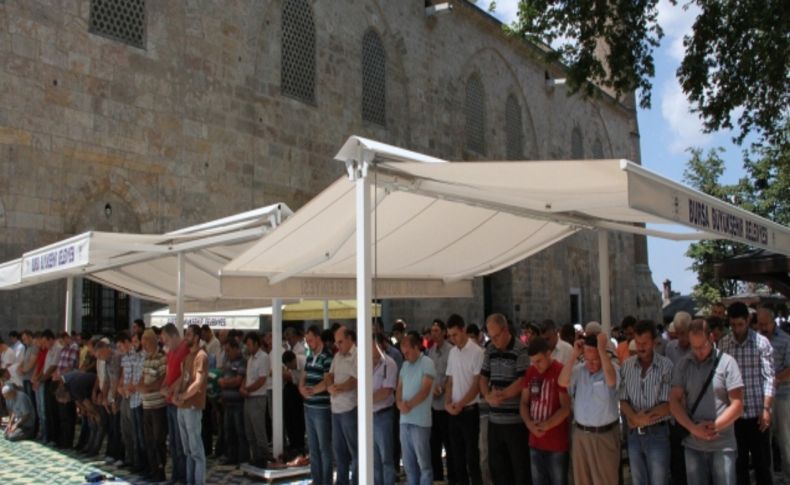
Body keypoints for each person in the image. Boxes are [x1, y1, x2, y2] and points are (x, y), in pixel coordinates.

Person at [669, 318, 743, 485]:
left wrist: (714, 427)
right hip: (693, 445)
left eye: (702, 346)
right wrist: (692, 428)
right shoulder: (684, 364)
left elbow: (737, 405)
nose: (699, 352)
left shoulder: (727, 363)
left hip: (722, 445)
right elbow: (674, 401)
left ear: (711, 338)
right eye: (694, 347)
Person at [718, 302, 775, 485]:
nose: (736, 329)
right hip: (734, 417)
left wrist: (766, 408)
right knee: (738, 464)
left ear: (748, 321)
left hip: (757, 414)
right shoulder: (724, 344)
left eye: (740, 324)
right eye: (733, 325)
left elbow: (769, 378)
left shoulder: (761, 343)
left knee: (762, 464)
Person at [559, 330, 620, 485]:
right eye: (587, 359)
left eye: (595, 359)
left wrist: (601, 349)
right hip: (581, 434)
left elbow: (612, 381)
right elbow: (562, 382)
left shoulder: (611, 368)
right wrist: (574, 355)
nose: (591, 364)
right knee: (582, 480)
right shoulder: (580, 370)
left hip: (604, 436)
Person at [619, 320, 673, 485]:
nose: (641, 347)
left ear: (654, 342)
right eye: (638, 343)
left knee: (659, 480)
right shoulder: (627, 366)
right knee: (638, 480)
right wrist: (634, 418)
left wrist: (642, 418)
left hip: (657, 433)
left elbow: (668, 405)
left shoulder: (666, 366)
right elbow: (623, 399)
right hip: (634, 434)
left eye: (645, 343)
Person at [479, 313, 531, 485]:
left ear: (506, 330)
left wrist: (502, 395)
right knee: (498, 470)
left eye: (497, 336)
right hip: (495, 422)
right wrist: (487, 395)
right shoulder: (490, 350)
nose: (494, 340)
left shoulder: (521, 350)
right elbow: (483, 377)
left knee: (519, 470)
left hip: (515, 422)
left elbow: (523, 380)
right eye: (491, 336)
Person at [520, 337, 570, 485]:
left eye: (539, 361)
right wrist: (529, 424)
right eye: (533, 361)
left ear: (549, 354)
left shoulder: (560, 371)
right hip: (535, 442)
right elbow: (523, 402)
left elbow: (566, 407)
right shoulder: (531, 372)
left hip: (556, 443)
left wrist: (548, 424)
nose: (536, 365)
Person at [444, 314, 484, 485]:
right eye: (450, 336)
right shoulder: (452, 352)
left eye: (455, 335)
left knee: (472, 457)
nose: (453, 339)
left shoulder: (477, 352)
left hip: (469, 411)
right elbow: (450, 381)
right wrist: (447, 403)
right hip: (454, 411)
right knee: (456, 456)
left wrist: (460, 404)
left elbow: (476, 385)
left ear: (463, 330)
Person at [398, 331, 436, 485]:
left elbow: (425, 390)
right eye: (403, 353)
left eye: (407, 352)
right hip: (405, 421)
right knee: (409, 466)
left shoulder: (427, 362)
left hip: (420, 422)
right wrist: (399, 403)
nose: (405, 356)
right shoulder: (404, 365)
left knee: (424, 466)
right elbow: (399, 388)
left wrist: (408, 405)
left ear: (416, 347)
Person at [758, 306, 790, 485]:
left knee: (785, 439)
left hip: (782, 395)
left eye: (765, 324)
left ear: (773, 322)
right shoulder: (756, 340)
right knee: (764, 442)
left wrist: (773, 380)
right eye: (759, 324)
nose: (762, 327)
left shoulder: (785, 340)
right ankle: (768, 478)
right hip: (761, 397)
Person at [174, 324, 209, 485]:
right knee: (187, 450)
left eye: (188, 334)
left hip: (192, 407)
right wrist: (175, 394)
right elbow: (183, 378)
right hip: (183, 407)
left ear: (196, 337)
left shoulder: (201, 356)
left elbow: (198, 382)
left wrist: (182, 396)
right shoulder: (188, 356)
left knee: (196, 451)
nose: (186, 337)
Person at [299, 324, 334, 485]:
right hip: (308, 407)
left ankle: (325, 481)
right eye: (307, 341)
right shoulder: (309, 356)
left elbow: (328, 381)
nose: (309, 343)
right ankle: (316, 478)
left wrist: (312, 390)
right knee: (313, 447)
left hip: (321, 408)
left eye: (311, 340)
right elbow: (303, 375)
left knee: (324, 448)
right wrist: (301, 387)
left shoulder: (327, 357)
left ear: (318, 338)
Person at [328, 327, 359, 485]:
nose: (337, 345)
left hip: (350, 409)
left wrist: (336, 387)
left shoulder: (358, 355)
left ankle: (356, 482)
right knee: (339, 452)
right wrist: (329, 386)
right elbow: (329, 376)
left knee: (355, 451)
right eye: (336, 342)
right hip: (336, 410)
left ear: (349, 339)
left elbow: (354, 381)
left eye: (340, 342)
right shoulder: (337, 356)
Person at [159, 323, 189, 482]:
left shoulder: (185, 349)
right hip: (169, 401)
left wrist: (171, 389)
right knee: (174, 442)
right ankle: (177, 474)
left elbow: (185, 374)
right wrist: (164, 385)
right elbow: (169, 371)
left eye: (166, 339)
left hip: (178, 401)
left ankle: (183, 476)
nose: (165, 343)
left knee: (180, 442)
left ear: (175, 336)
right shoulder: (171, 351)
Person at [665, 311, 692, 485]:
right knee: (678, 462)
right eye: (678, 333)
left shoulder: (698, 348)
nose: (681, 337)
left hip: (694, 411)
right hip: (676, 414)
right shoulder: (670, 348)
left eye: (684, 333)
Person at [138, 329, 168, 482]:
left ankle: (160, 470)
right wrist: (139, 386)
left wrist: (147, 388)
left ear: (153, 341)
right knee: (148, 440)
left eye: (145, 340)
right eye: (142, 340)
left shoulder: (161, 357)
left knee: (158, 440)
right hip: (146, 405)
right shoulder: (146, 358)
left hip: (157, 406)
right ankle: (152, 469)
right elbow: (143, 377)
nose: (143, 343)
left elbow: (163, 379)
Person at [427, 319, 454, 483]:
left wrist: (441, 388)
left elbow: (451, 375)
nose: (434, 334)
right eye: (432, 331)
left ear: (444, 332)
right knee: (433, 444)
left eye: (437, 330)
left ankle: (452, 476)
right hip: (432, 405)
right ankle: (437, 477)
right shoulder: (430, 351)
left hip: (445, 404)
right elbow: (429, 374)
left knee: (449, 444)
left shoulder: (451, 351)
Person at [241, 331, 271, 468]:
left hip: (258, 398)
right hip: (248, 398)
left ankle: (264, 457)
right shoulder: (250, 359)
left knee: (258, 429)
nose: (248, 347)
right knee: (249, 430)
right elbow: (247, 378)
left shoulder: (263, 357)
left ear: (256, 344)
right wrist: (243, 388)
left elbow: (262, 379)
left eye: (249, 344)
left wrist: (247, 389)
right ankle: (256, 456)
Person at [372, 333, 398, 485]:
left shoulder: (390, 364)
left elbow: (386, 391)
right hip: (369, 416)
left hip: (383, 415)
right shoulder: (363, 363)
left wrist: (365, 399)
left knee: (386, 459)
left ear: (379, 344)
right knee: (374, 459)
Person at [218, 338, 248, 466]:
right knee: (228, 431)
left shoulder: (242, 362)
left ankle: (242, 458)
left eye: (229, 350)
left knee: (240, 431)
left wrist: (225, 383)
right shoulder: (227, 361)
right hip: (227, 402)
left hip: (238, 403)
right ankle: (231, 456)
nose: (227, 353)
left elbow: (238, 380)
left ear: (236, 348)